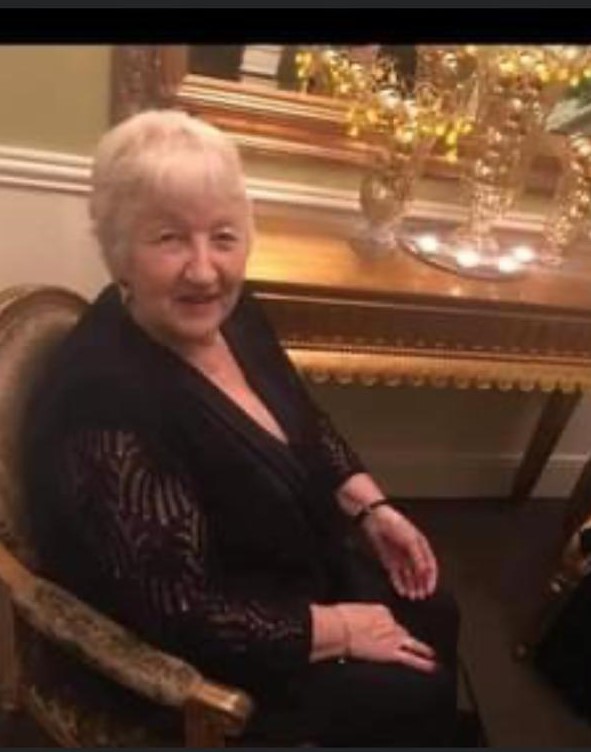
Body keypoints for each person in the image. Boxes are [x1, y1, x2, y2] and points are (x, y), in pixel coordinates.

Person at [23, 109, 459, 747]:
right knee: (412, 689)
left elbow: (305, 422)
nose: (205, 270)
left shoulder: (233, 313)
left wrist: (372, 509)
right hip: (201, 654)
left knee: (435, 607)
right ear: (120, 252)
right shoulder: (106, 400)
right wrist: (341, 628)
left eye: (223, 237)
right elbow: (178, 611)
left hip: (280, 562)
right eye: (170, 239)